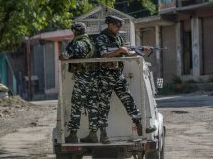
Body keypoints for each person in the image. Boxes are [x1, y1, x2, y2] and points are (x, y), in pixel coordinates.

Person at [95, 15, 155, 144]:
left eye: (120, 26)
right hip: (105, 76)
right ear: (110, 24)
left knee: (129, 100)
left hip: (117, 75)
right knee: (104, 105)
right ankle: (103, 135)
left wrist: (142, 51)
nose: (119, 28)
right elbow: (103, 54)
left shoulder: (118, 38)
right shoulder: (101, 38)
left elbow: (128, 53)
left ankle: (140, 127)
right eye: (117, 26)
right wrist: (119, 50)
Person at [59, 22, 99, 143]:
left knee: (76, 105)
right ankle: (93, 134)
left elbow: (64, 56)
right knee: (92, 105)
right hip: (93, 78)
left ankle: (73, 134)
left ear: (75, 31)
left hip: (83, 78)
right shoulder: (91, 42)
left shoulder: (78, 43)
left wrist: (62, 56)